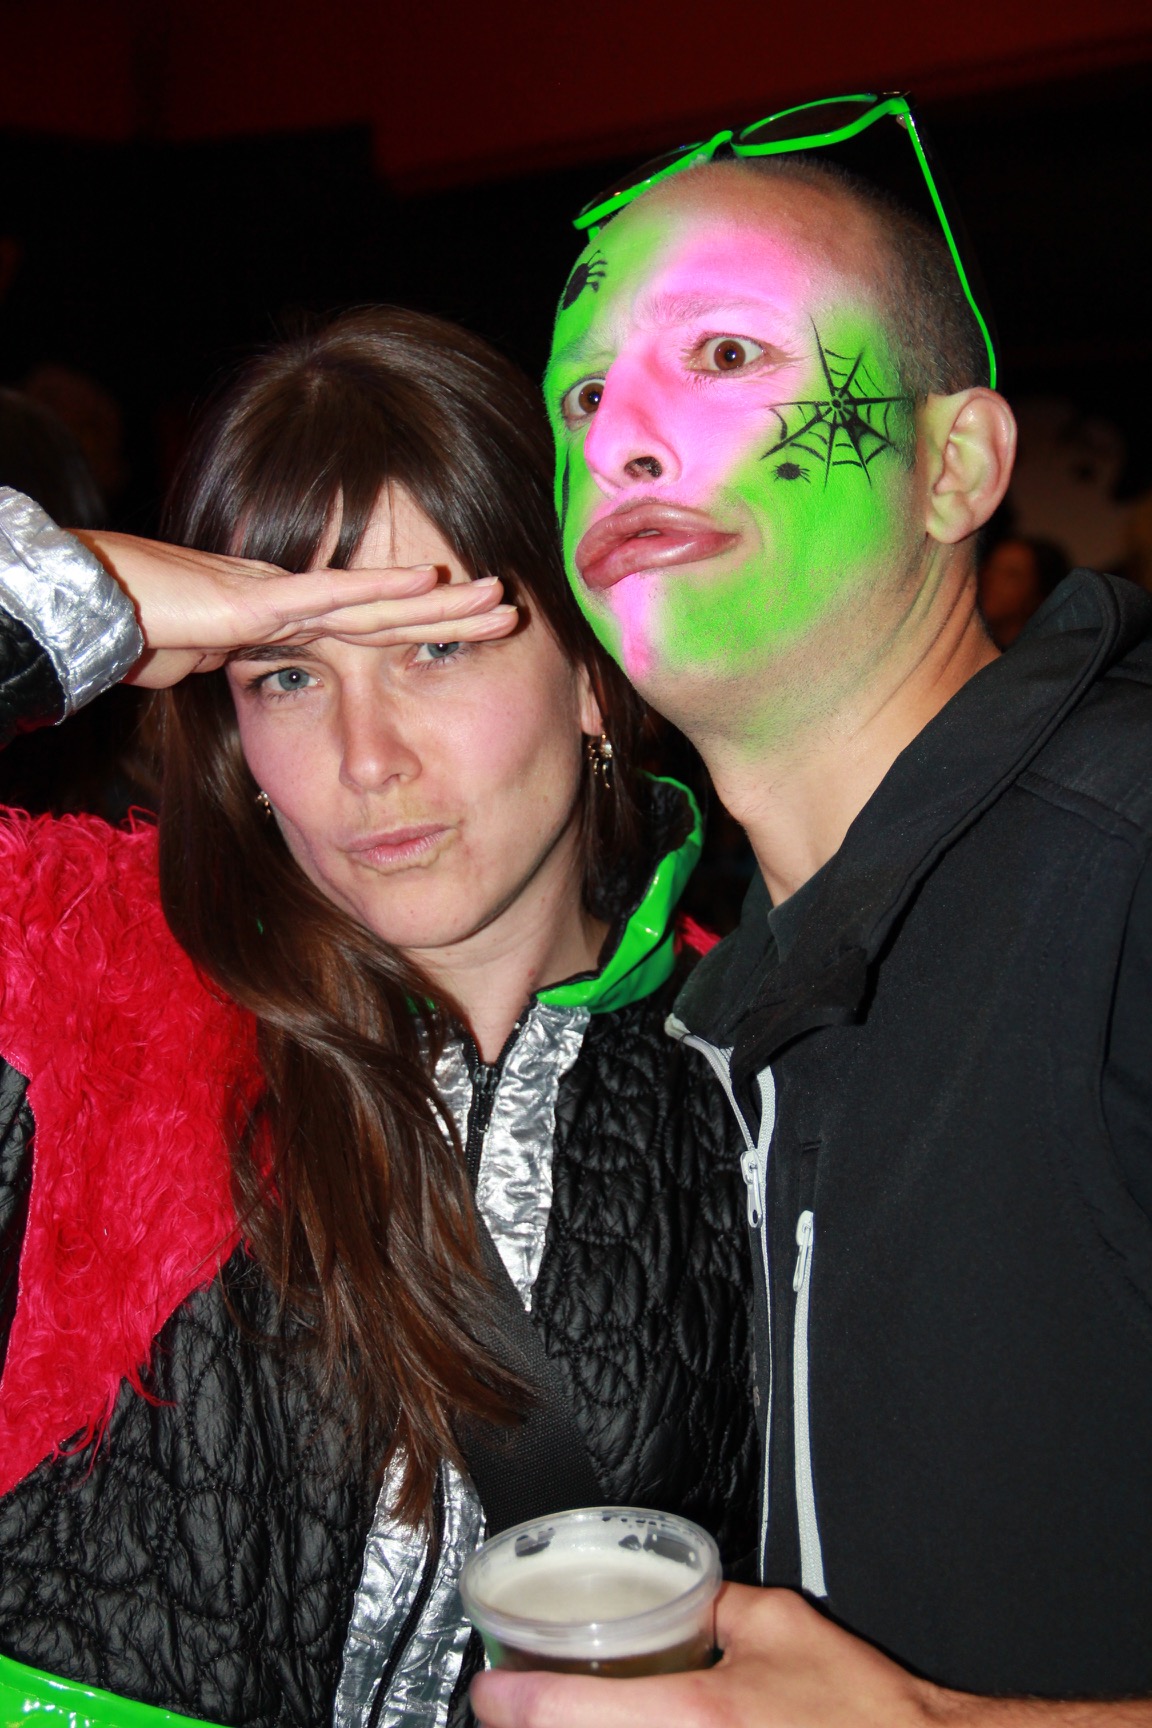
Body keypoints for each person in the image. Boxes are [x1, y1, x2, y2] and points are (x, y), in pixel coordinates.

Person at [472, 114, 1152, 1728]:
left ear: (956, 467)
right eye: (581, 399)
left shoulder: (1124, 878)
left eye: (725, 352)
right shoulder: (731, 999)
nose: (621, 442)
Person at [0, 307, 757, 1728]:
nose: (364, 760)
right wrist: (62, 597)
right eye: (289, 673)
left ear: (593, 673)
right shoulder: (70, 982)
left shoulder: (767, 1069)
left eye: (434, 648)